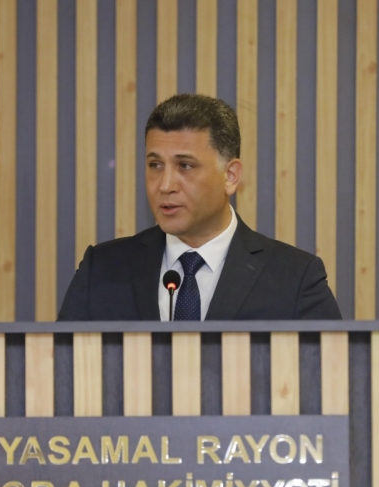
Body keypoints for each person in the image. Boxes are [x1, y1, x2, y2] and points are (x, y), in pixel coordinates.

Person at [58, 93, 342, 321]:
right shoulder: (102, 270)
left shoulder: (294, 280)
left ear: (230, 176)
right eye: (155, 165)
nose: (165, 184)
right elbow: (63, 368)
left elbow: (327, 372)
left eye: (185, 165)